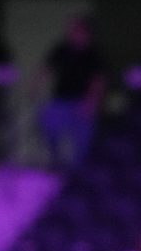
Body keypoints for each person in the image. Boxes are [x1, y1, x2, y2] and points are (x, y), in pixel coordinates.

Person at [38, 15, 105, 169]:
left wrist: (91, 102)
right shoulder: (61, 50)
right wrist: (37, 84)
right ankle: (56, 161)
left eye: (76, 30)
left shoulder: (94, 54)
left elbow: (98, 81)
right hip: (61, 100)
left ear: (85, 33)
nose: (72, 33)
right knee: (47, 123)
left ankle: (78, 170)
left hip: (82, 101)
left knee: (82, 142)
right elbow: (47, 68)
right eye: (71, 30)